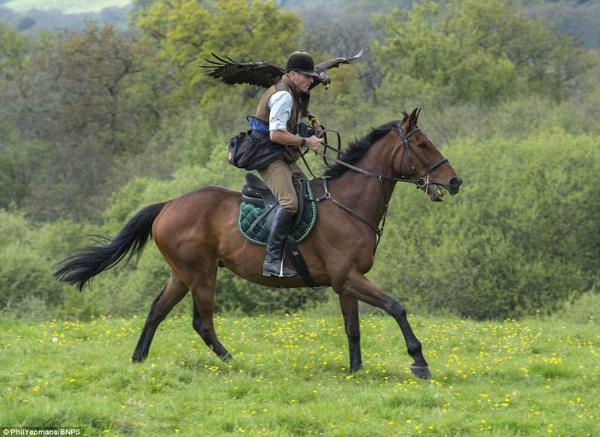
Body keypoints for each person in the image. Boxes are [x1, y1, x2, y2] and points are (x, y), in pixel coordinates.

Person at [252, 50, 323, 278]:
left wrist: (309, 131)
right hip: (269, 157)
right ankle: (272, 260)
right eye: (307, 76)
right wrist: (306, 141)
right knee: (290, 202)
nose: (312, 80)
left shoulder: (290, 92)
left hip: (281, 156)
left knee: (309, 193)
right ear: (292, 74)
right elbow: (276, 135)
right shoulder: (284, 96)